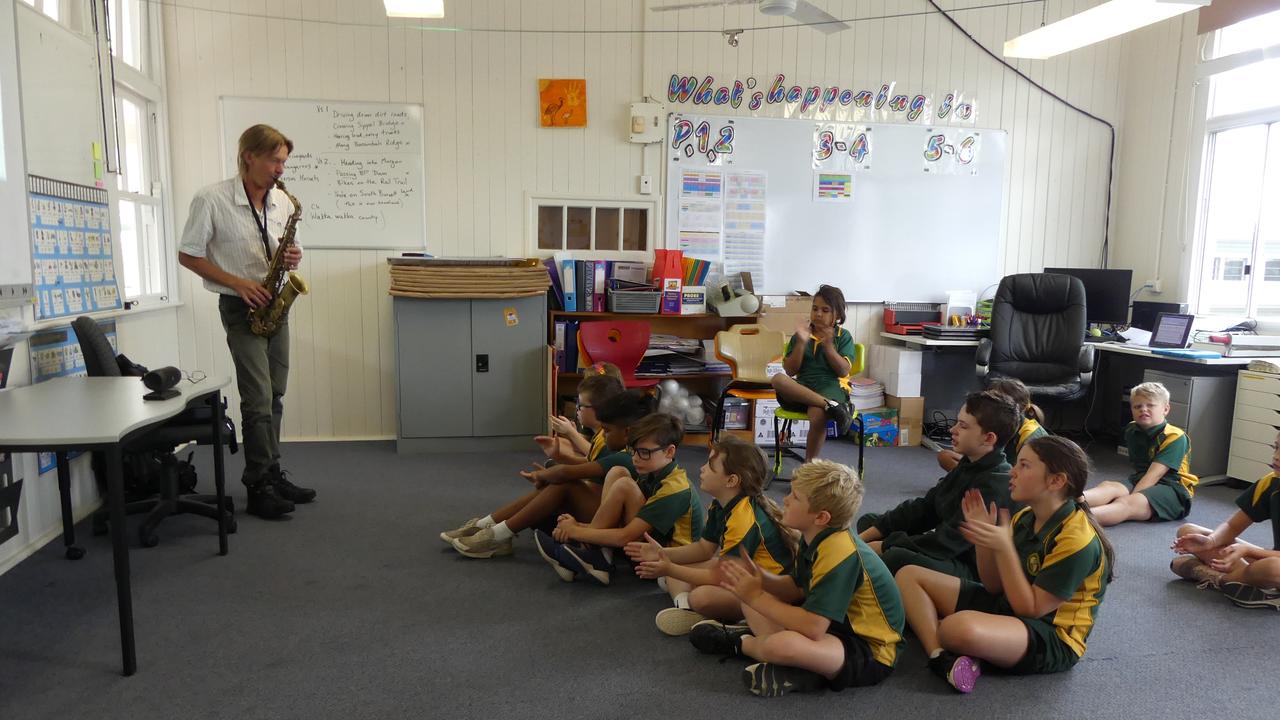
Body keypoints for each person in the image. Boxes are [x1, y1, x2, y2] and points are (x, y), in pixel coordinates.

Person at [895, 436, 1113, 693]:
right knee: (909, 575)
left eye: (1024, 465)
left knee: (956, 628)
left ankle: (956, 639)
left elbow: (1031, 609)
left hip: (1051, 635)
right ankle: (940, 657)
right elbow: (993, 584)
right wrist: (984, 539)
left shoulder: (1077, 540)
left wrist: (1004, 546)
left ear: (1056, 481)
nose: (1013, 471)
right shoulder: (1026, 517)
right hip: (1009, 604)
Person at [177, 124, 314, 519]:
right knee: (257, 400)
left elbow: (294, 246)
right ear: (248, 156)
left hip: (276, 304)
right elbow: (189, 254)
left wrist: (292, 258)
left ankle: (272, 470)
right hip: (241, 308)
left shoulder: (284, 203)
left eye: (284, 161)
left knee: (275, 395)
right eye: (274, 160)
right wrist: (239, 284)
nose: (280, 170)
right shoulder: (212, 199)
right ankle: (257, 486)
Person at [691, 459, 903, 698]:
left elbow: (813, 628)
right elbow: (796, 588)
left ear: (821, 517)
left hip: (870, 650)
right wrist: (762, 580)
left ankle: (745, 645)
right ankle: (797, 668)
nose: (785, 499)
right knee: (754, 599)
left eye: (795, 497)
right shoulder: (813, 536)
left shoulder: (839, 553)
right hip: (831, 624)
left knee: (780, 644)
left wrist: (756, 596)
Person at [446, 386, 646, 559]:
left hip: (614, 524)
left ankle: (496, 534)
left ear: (627, 431)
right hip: (604, 510)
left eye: (608, 431)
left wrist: (541, 475)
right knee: (557, 482)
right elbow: (582, 468)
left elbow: (567, 473)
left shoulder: (625, 456)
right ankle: (487, 527)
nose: (606, 434)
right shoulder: (623, 450)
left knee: (562, 483)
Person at [626, 436, 797, 636]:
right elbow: (704, 549)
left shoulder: (743, 519)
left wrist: (670, 567)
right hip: (741, 575)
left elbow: (719, 576)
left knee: (701, 597)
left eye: (710, 464)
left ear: (731, 480)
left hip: (769, 592)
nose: (702, 468)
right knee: (676, 572)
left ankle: (736, 620)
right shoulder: (720, 504)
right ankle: (688, 610)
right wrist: (663, 554)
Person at [857, 391, 1020, 579]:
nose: (953, 429)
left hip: (970, 568)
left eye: (963, 426)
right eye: (957, 422)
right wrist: (867, 538)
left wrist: (885, 545)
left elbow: (946, 543)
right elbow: (926, 507)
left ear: (989, 438)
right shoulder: (969, 463)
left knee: (895, 555)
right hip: (949, 549)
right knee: (871, 522)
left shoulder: (994, 484)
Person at [535, 413, 704, 586]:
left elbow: (626, 535)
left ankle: (591, 553)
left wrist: (574, 531)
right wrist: (577, 525)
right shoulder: (653, 472)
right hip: (647, 543)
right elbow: (626, 524)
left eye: (644, 452)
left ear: (669, 451)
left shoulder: (675, 489)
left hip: (663, 563)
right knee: (618, 472)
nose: (636, 458)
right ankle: (595, 554)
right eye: (634, 450)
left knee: (625, 484)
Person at [1171, 431, 1280, 609]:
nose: (1276, 456)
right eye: (1276, 447)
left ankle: (1213, 576)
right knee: (1188, 531)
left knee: (1273, 568)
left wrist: (1247, 551)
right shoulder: (1271, 482)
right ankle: (1247, 581)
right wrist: (1210, 541)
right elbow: (1232, 525)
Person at [1083, 382, 1197, 526]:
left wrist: (1131, 496)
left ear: (1165, 409)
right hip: (1141, 478)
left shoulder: (1175, 437)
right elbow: (1142, 471)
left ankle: (1069, 520)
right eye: (1137, 406)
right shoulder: (1132, 429)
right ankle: (1059, 505)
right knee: (1109, 487)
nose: (1143, 409)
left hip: (1173, 489)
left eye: (1150, 405)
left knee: (1127, 502)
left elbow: (1154, 475)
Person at [770, 285, 856, 461]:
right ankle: (832, 407)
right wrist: (801, 342)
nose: (818, 314)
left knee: (817, 415)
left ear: (838, 315)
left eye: (825, 310)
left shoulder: (843, 336)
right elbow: (790, 371)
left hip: (831, 386)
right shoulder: (801, 335)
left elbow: (843, 370)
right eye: (815, 309)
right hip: (803, 389)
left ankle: (808, 466)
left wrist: (829, 346)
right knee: (778, 379)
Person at [938, 377, 1047, 472]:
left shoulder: (1031, 437)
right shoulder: (995, 422)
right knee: (945, 456)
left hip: (1014, 476)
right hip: (994, 466)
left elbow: (1029, 475)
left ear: (1011, 409)